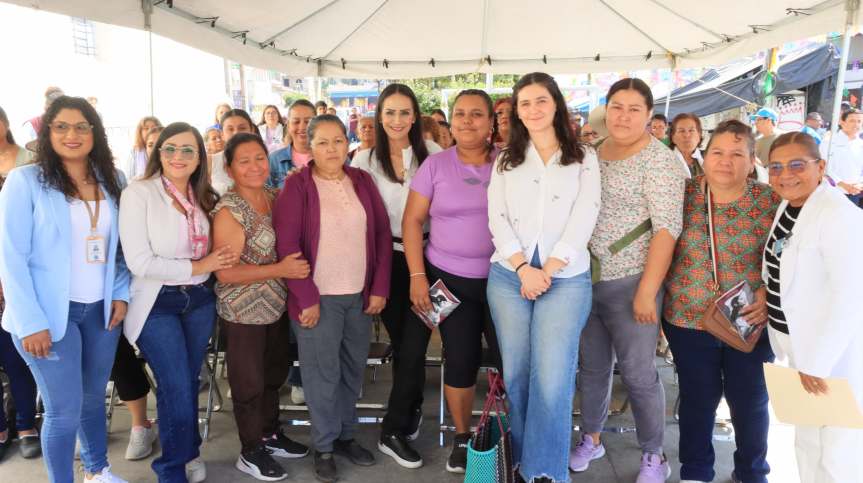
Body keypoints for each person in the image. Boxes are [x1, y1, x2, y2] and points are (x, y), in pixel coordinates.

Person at [0, 96, 130, 482]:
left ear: (95, 133)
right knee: (63, 409)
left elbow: (122, 248)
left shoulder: (114, 180)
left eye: (81, 126)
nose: (72, 135)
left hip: (101, 311)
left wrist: (121, 292)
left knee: (93, 400)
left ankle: (97, 471)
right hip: (47, 315)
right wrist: (30, 321)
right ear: (47, 133)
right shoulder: (26, 181)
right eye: (62, 127)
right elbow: (10, 257)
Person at [486, 73, 600, 483]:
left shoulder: (584, 157)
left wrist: (546, 271)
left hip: (565, 279)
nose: (533, 110)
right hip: (508, 277)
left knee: (552, 377)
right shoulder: (506, 159)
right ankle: (518, 463)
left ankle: (546, 471)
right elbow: (496, 218)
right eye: (524, 103)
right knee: (516, 374)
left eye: (540, 100)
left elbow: (585, 216)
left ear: (556, 103)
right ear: (516, 112)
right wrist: (522, 268)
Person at [573, 78, 685, 482]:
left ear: (649, 116)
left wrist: (647, 292)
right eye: (616, 107)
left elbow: (666, 229)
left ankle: (654, 454)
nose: (623, 116)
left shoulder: (661, 161)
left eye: (634, 109)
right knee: (592, 368)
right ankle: (592, 436)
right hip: (586, 279)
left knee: (639, 373)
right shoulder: (591, 153)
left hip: (634, 281)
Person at [272, 115, 391, 483]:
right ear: (309, 145)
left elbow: (383, 236)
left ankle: (346, 436)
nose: (332, 148)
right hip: (317, 299)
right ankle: (323, 446)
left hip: (358, 296)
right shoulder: (297, 186)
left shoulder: (362, 180)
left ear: (347, 142)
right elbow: (287, 246)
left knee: (352, 371)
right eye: (322, 142)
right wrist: (306, 297)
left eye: (338, 140)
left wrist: (379, 287)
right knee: (322, 376)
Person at [119, 122, 238, 483]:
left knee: (186, 381)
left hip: (199, 300)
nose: (178, 156)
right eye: (170, 148)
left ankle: (187, 452)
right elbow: (138, 261)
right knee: (174, 385)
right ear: (158, 153)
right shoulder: (139, 193)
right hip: (157, 303)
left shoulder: (206, 194)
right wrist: (200, 265)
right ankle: (172, 470)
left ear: (200, 156)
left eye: (188, 149)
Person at [663, 120, 779, 483]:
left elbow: (792, 255)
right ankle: (696, 471)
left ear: (750, 161)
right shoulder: (680, 195)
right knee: (698, 398)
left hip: (750, 319)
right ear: (704, 154)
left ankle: (751, 471)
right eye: (717, 152)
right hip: (687, 319)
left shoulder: (770, 201)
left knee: (750, 400)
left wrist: (768, 292)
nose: (725, 162)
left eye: (736, 154)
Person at [401, 89, 503, 474]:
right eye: (459, 113)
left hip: (503, 283)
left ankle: (507, 431)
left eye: (476, 114)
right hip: (449, 281)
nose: (466, 121)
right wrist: (416, 277)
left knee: (509, 361)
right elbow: (411, 221)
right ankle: (463, 438)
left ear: (491, 122)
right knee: (459, 358)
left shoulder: (508, 164)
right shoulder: (435, 166)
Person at [350, 83, 441, 469]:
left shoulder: (435, 154)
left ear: (415, 116)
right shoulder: (363, 160)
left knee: (417, 344)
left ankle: (392, 429)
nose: (397, 120)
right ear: (379, 116)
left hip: (432, 259)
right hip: (387, 260)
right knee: (403, 344)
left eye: (405, 113)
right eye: (390, 113)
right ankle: (408, 410)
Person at [764, 131, 863, 483]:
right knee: (808, 441)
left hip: (830, 356)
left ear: (820, 166)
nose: (785, 174)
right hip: (796, 347)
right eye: (775, 167)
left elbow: (850, 297)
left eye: (796, 165)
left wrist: (818, 363)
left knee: (837, 449)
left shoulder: (838, 214)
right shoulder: (790, 205)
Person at [212, 133, 310, 481]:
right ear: (229, 167)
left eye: (259, 158)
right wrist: (279, 270)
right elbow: (225, 272)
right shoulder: (229, 210)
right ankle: (250, 449)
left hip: (275, 305)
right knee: (248, 382)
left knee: (273, 374)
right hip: (243, 311)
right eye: (244, 160)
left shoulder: (273, 197)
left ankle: (269, 434)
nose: (254, 166)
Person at [0, 105, 40, 463]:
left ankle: (27, 424)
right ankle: (1, 428)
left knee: (17, 358)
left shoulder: (30, 160)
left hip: (19, 268)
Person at [267, 100, 316, 190]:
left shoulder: (331, 157)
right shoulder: (274, 160)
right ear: (288, 125)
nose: (302, 127)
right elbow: (265, 198)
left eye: (308, 122)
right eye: (296, 122)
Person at [820, 108, 863, 203]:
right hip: (832, 192)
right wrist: (843, 185)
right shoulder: (828, 143)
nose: (856, 124)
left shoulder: (861, 144)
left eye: (859, 121)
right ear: (841, 122)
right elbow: (823, 168)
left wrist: (860, 184)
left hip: (855, 193)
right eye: (852, 121)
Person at [211, 109, 255, 195]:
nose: (236, 133)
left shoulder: (263, 160)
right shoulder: (211, 162)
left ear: (252, 130)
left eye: (242, 128)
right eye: (230, 129)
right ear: (222, 134)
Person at [669, 113, 704, 178]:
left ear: (699, 135)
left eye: (691, 130)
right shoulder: (664, 160)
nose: (687, 135)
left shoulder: (709, 157)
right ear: (673, 137)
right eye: (681, 131)